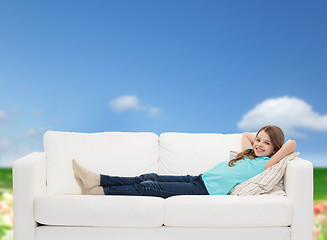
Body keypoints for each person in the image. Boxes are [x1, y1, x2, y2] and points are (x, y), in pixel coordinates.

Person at [72, 125, 297, 198]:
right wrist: (258, 137)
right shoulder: (248, 152)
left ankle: (101, 191)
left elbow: (291, 145)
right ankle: (97, 178)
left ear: (274, 149)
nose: (258, 144)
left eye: (266, 144)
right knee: (148, 177)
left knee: (151, 187)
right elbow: (246, 136)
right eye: (258, 140)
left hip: (205, 190)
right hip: (198, 178)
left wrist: (273, 145)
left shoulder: (265, 164)